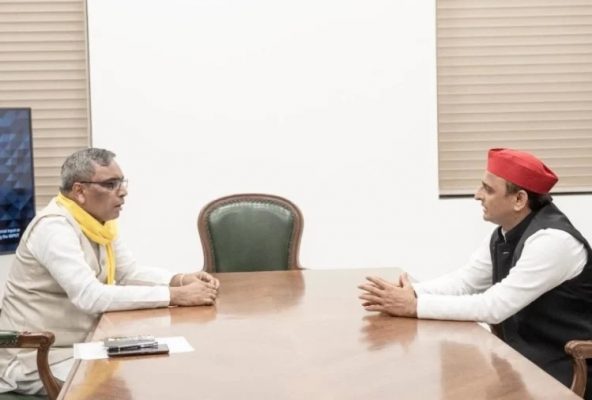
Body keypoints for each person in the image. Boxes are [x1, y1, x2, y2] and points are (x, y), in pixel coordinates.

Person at [359, 148, 592, 397]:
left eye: (488, 189)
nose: (477, 195)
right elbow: (466, 282)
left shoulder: (553, 241)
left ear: (519, 200)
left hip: (562, 369)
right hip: (523, 362)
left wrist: (414, 306)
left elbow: (494, 306)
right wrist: (407, 293)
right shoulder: (505, 232)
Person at [0, 148, 220, 395]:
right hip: (38, 359)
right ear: (79, 191)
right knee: (135, 386)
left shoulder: (99, 224)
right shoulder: (53, 229)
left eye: (122, 182)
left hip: (84, 347)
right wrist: (176, 296)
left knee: (165, 371)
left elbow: (128, 272)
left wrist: (179, 280)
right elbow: (89, 296)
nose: (123, 191)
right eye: (110, 184)